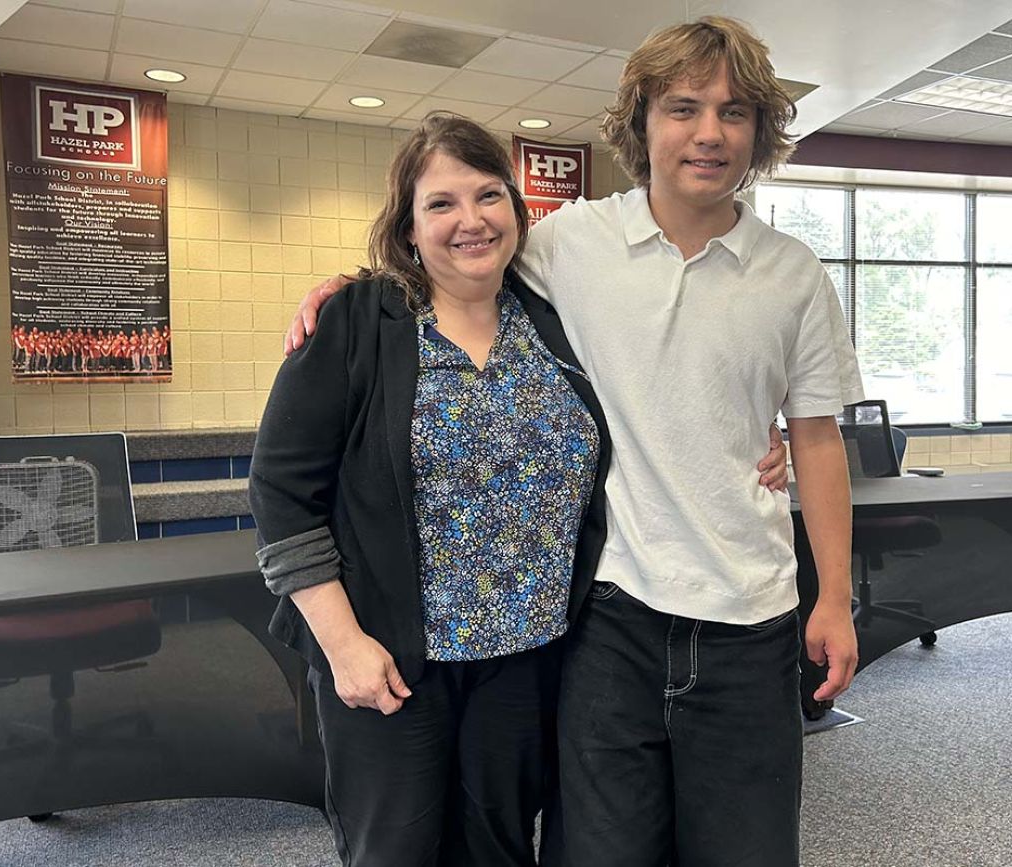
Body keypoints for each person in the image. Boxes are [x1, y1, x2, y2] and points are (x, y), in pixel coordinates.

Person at [286, 17, 862, 866]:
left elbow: (816, 441)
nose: (709, 132)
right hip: (606, 618)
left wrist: (836, 597)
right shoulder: (569, 243)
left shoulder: (794, 273)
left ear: (760, 132)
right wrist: (354, 285)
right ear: (642, 124)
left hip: (751, 617)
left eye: (735, 112)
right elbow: (457, 255)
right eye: (683, 108)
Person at [249, 113, 616, 866]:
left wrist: (761, 441)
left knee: (502, 846)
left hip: (528, 656)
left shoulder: (556, 324)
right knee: (397, 850)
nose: (471, 220)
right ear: (408, 228)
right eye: (441, 203)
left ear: (517, 210)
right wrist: (343, 644)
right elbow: (281, 489)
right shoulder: (358, 322)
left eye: (489, 196)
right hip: (390, 658)